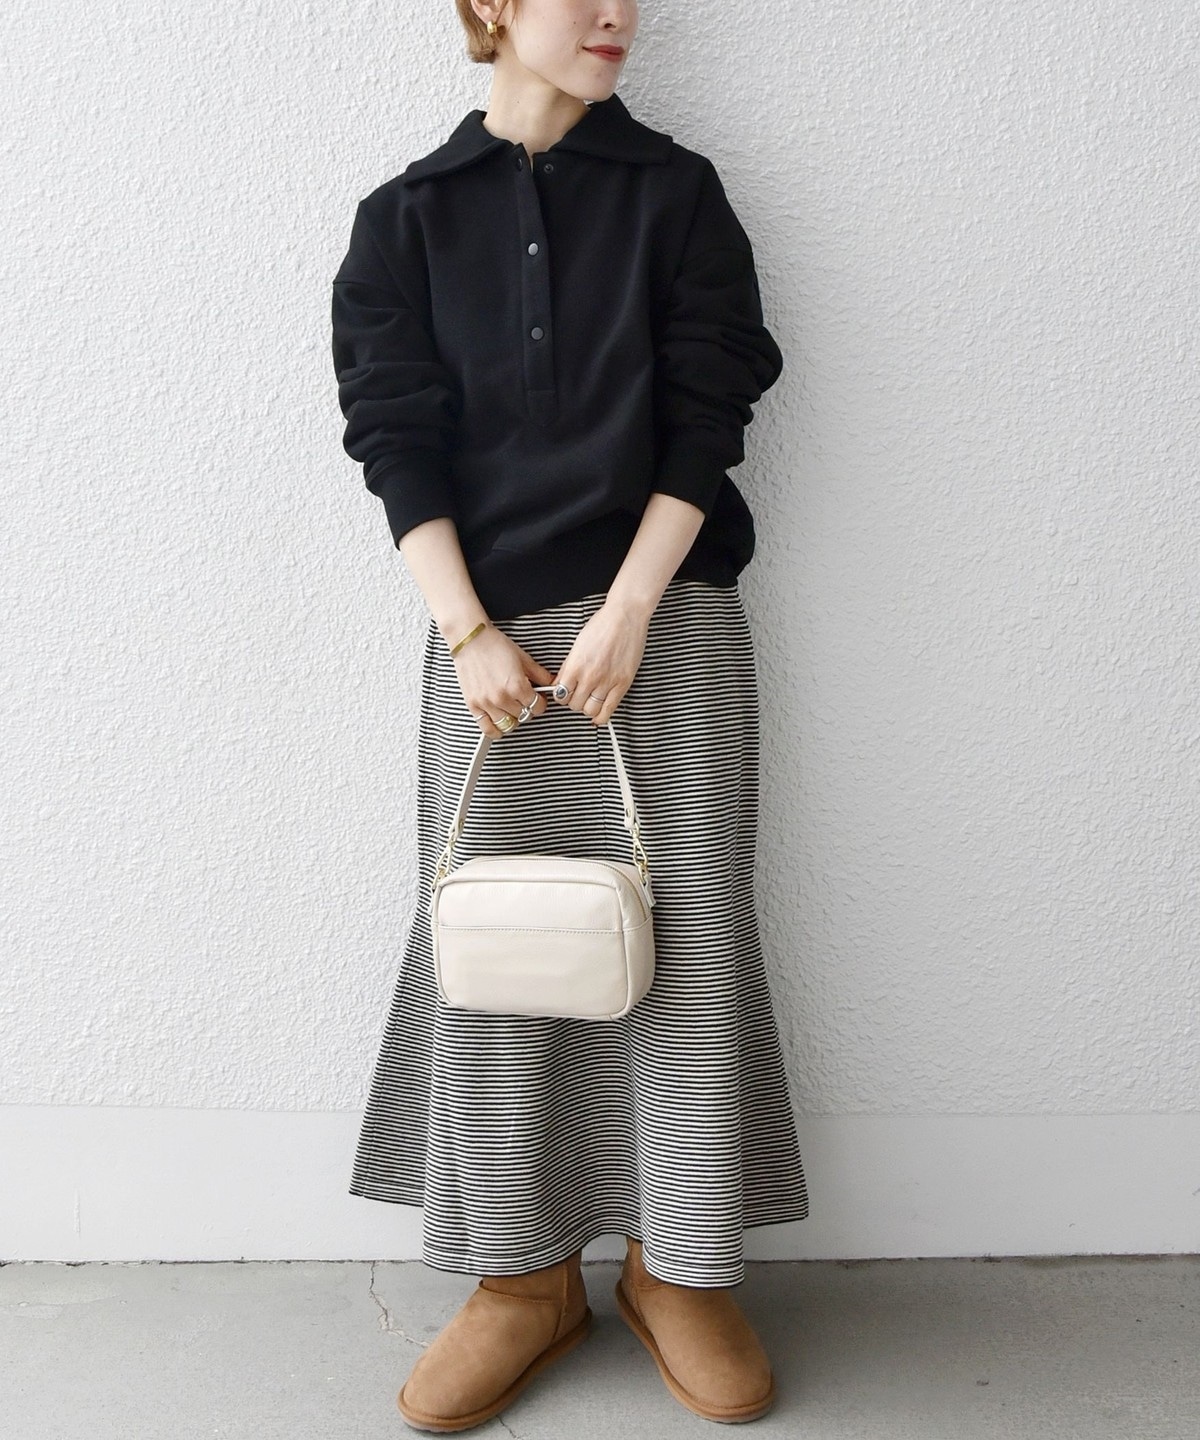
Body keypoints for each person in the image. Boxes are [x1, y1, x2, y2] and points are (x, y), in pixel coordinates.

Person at [330, 0, 810, 1429]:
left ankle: (681, 1267)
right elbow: (392, 434)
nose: (615, 14)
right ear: (491, 5)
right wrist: (468, 631)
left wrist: (632, 606)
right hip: (482, 644)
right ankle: (520, 1277)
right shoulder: (404, 219)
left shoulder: (678, 194)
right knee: (492, 948)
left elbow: (711, 410)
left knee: (689, 936)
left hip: (668, 621)